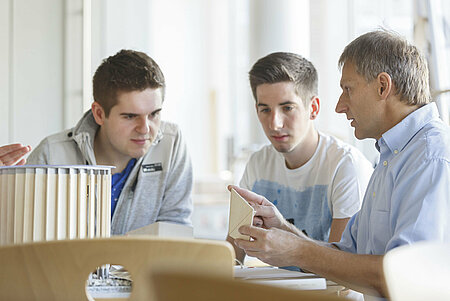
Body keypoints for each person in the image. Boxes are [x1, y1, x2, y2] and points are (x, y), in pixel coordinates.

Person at [231, 30, 450, 298]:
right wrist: (283, 229)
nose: (339, 106)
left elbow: (406, 277)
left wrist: (295, 250)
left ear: (383, 86)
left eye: (348, 89)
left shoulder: (431, 157)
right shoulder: (391, 156)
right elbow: (347, 256)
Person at [28, 50, 193, 235]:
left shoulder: (172, 145)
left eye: (154, 114)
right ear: (99, 114)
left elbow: (175, 233)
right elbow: (29, 245)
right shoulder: (50, 156)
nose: (145, 129)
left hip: (148, 265)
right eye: (130, 116)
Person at [231, 52, 373, 262]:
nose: (275, 124)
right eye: (265, 110)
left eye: (287, 108)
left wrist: (284, 230)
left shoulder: (345, 165)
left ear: (313, 108)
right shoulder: (258, 164)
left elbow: (342, 265)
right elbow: (233, 255)